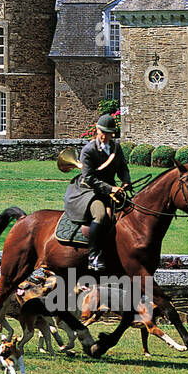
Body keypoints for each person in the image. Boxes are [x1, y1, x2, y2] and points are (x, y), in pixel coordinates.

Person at [62, 114, 132, 271]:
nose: (107, 136)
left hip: (110, 189)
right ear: (97, 130)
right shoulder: (88, 151)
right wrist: (111, 189)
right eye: (104, 132)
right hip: (89, 191)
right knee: (100, 215)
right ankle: (93, 256)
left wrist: (126, 180)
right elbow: (89, 178)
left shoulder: (116, 148)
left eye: (110, 133)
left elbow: (122, 167)